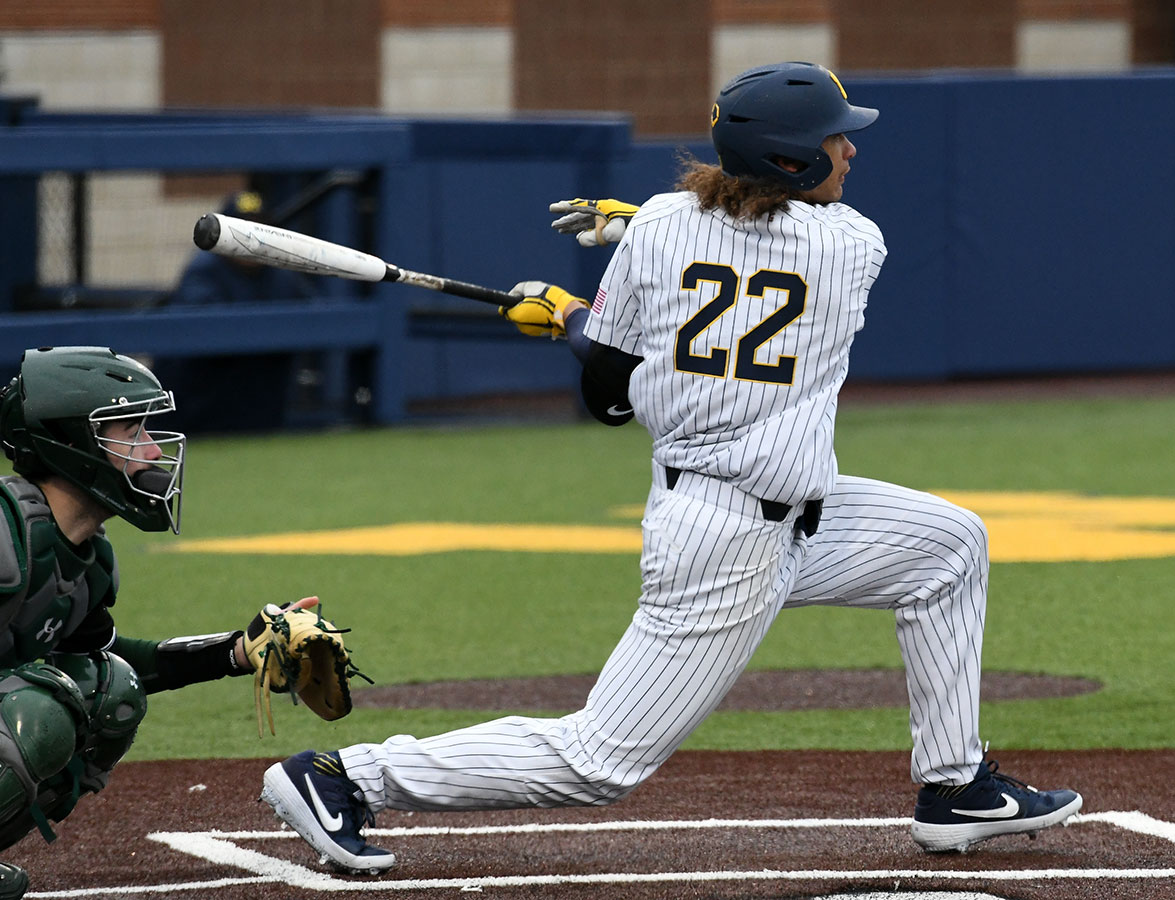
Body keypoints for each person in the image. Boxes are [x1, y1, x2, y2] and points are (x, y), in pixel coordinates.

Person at [260, 61, 1082, 874]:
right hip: (727, 542)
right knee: (599, 762)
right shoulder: (850, 244)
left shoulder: (659, 226)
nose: (851, 151)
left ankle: (956, 787)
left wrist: (574, 316)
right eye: (835, 140)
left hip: (780, 511)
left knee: (947, 546)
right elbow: (738, 258)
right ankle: (344, 776)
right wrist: (600, 290)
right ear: (790, 162)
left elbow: (609, 396)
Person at [0, 346, 337, 899]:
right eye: (128, 432)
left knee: (108, 692)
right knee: (36, 713)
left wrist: (234, 652)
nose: (152, 451)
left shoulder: (85, 560)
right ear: (67, 442)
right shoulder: (5, 532)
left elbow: (108, 659)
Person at [162, 190, 315, 433]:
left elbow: (314, 318)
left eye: (260, 229)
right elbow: (204, 332)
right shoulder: (204, 272)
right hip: (200, 412)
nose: (252, 239)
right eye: (243, 231)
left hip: (262, 414)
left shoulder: (280, 274)